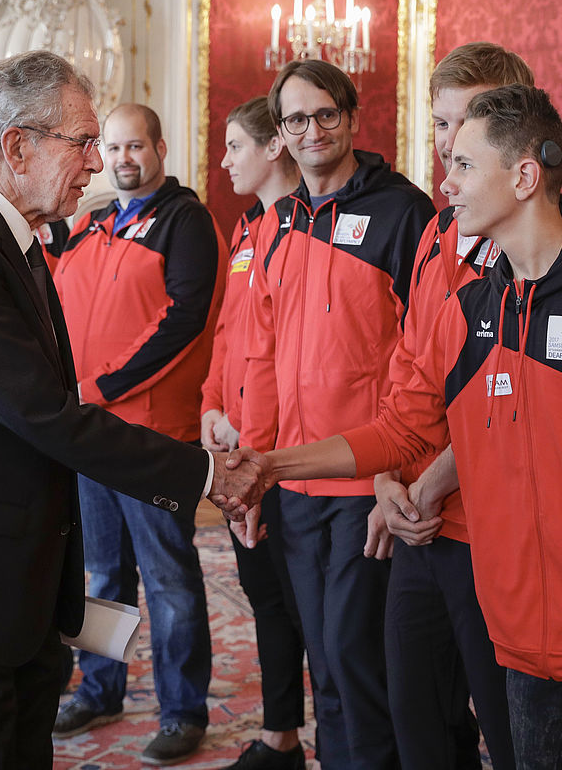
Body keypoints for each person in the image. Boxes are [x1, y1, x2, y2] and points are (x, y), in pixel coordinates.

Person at [238, 83, 562, 770]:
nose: (445, 182)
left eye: (464, 164)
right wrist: (272, 465)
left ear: (524, 177)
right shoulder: (470, 311)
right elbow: (401, 430)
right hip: (523, 638)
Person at [0, 50, 266, 770]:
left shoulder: (6, 239)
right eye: (82, 142)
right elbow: (45, 413)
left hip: (14, 579)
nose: (97, 163)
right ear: (17, 146)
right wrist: (205, 473)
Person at [374, 43, 562, 770]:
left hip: (494, 526)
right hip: (418, 518)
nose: (449, 142)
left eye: (470, 122)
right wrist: (387, 479)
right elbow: (408, 370)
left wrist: (429, 484)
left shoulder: (551, 250)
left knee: (514, 731)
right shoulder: (438, 234)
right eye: (441, 123)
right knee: (420, 724)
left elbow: (518, 401)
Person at [238, 59, 436, 768]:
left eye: (326, 114)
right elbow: (260, 355)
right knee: (323, 661)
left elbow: (423, 355)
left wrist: (398, 475)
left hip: (366, 481)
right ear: (280, 132)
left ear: (352, 118)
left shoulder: (404, 213)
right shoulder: (277, 221)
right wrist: (254, 470)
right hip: (294, 481)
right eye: (296, 119)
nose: (313, 130)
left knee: (359, 661)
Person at [50, 102, 227, 765]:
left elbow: (186, 319)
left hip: (152, 432)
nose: (123, 159)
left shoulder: (185, 221)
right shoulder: (94, 219)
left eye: (135, 146)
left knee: (168, 576)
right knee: (102, 571)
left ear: (159, 148)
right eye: (113, 147)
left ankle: (183, 710)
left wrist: (107, 384)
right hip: (91, 429)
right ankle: (101, 688)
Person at [204, 96, 307, 770]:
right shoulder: (246, 230)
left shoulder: (305, 228)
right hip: (237, 443)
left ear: (274, 147)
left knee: (302, 607)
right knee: (265, 597)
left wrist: (253, 450)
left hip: (281, 456)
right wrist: (211, 408)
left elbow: (283, 357)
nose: (224, 161)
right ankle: (280, 737)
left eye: (236, 146)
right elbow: (228, 334)